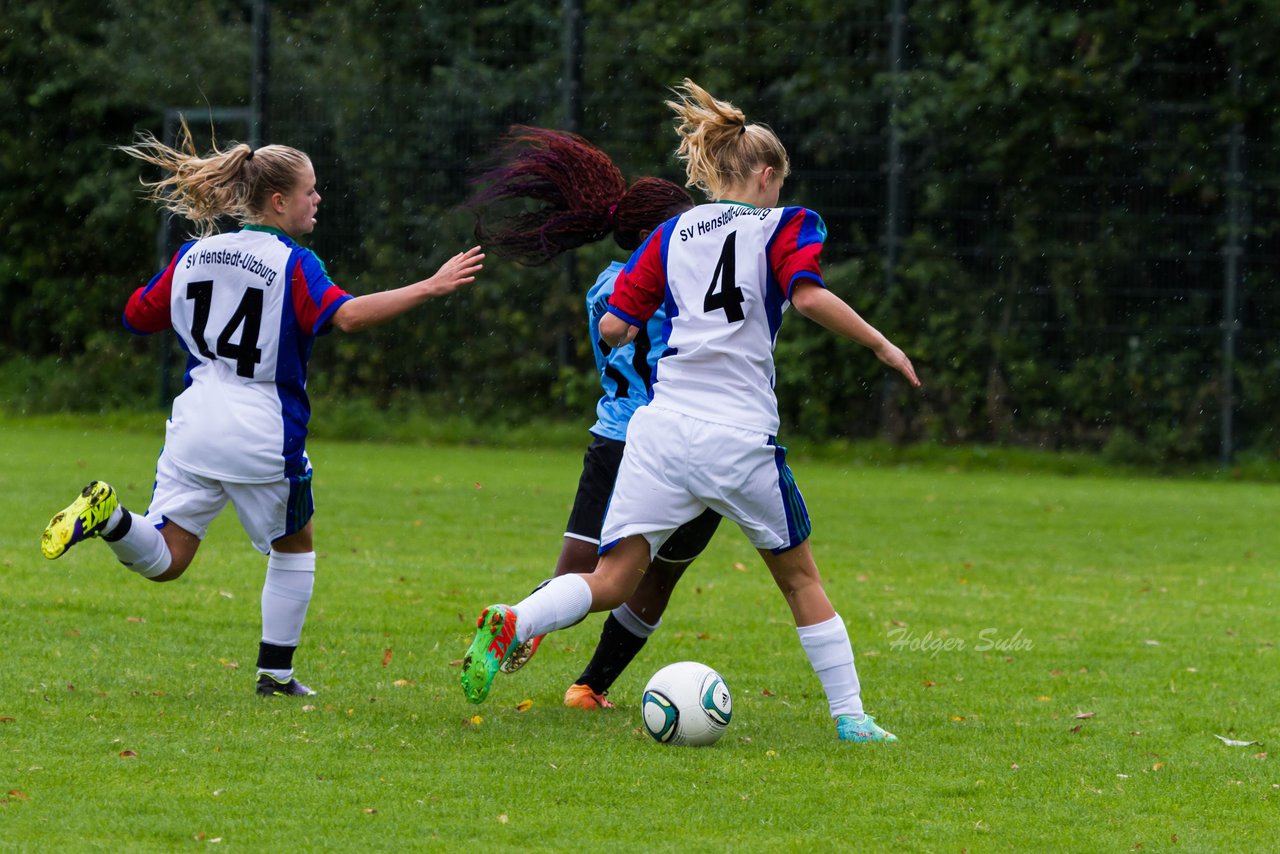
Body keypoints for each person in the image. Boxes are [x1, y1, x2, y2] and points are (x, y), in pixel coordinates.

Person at [460, 80, 920, 743]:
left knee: (614, 577)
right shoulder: (788, 225)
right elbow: (811, 297)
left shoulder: (674, 232)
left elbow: (617, 325)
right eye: (779, 182)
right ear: (765, 175)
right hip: (738, 435)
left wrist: (647, 319)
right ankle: (851, 718)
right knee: (799, 581)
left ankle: (516, 619)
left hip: (661, 430)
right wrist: (881, 343)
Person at [40, 118, 484, 697]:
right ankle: (276, 676)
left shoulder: (195, 254)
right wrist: (430, 286)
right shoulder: (295, 262)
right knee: (294, 545)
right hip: (260, 433)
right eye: (310, 191)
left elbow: (135, 315)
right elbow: (345, 316)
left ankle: (110, 518)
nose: (318, 199)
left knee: (168, 557)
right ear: (279, 201)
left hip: (194, 425)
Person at [467, 126, 722, 710]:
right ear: (662, 236)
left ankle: (517, 621)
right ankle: (589, 687)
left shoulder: (603, 287)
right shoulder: (679, 286)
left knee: (578, 568)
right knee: (656, 577)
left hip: (610, 437)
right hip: (674, 439)